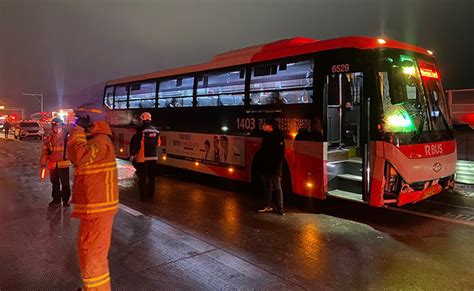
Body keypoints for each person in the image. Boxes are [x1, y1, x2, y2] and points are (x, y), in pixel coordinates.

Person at [67, 103, 118, 291]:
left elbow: (78, 155)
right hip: (95, 208)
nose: (75, 124)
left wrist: (77, 131)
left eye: (78, 119)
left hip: (98, 209)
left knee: (92, 256)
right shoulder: (98, 140)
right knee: (88, 252)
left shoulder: (100, 141)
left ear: (88, 120)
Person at [130, 112, 161, 202]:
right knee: (151, 178)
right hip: (153, 158)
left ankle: (143, 197)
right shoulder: (156, 131)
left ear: (143, 120)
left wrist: (133, 155)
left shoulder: (141, 131)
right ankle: (151, 196)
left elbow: (137, 145)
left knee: (143, 178)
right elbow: (158, 144)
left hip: (142, 158)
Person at [40, 117, 71, 207]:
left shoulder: (67, 136)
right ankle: (56, 200)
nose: (57, 129)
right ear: (52, 127)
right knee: (55, 183)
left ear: (62, 126)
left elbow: (73, 149)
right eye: (55, 127)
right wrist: (43, 163)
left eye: (59, 127)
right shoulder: (48, 137)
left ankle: (65, 200)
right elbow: (45, 151)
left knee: (65, 183)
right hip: (52, 165)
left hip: (63, 164)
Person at [257, 118, 286, 216]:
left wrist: (277, 168)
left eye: (266, 124)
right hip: (265, 166)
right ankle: (268, 205)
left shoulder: (278, 136)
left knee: (277, 187)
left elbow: (280, 154)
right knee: (267, 186)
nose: (264, 126)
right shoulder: (266, 135)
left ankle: (280, 208)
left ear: (271, 126)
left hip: (274, 167)